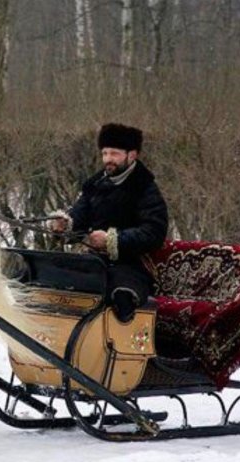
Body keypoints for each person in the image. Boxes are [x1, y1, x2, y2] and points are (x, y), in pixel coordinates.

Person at [49, 123, 168, 322]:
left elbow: (154, 232)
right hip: (94, 262)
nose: (107, 160)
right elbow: (78, 216)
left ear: (132, 155)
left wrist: (112, 240)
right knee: (52, 280)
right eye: (104, 153)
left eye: (114, 154)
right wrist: (64, 225)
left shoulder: (145, 188)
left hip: (132, 266)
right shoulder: (95, 185)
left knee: (120, 294)